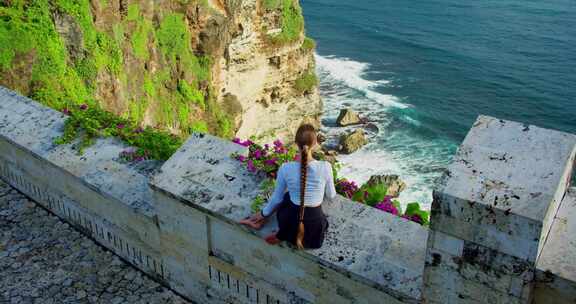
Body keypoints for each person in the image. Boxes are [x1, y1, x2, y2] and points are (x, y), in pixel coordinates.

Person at [239, 124, 337, 249]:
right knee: (290, 197)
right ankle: (282, 234)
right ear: (315, 143)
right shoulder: (325, 167)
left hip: (289, 222)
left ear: (296, 143)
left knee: (287, 196)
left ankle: (265, 224)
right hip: (314, 228)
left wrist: (263, 214)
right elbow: (331, 195)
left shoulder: (286, 168)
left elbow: (276, 199)